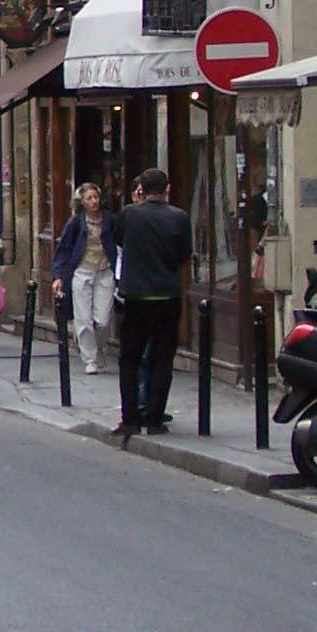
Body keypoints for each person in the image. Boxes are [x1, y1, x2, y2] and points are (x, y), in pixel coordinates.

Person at [114, 168, 192, 438]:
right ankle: (155, 418)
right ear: (167, 189)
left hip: (136, 295)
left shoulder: (129, 214)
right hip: (167, 295)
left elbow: (118, 239)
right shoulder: (180, 217)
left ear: (142, 190)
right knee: (162, 359)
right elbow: (184, 254)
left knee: (130, 359)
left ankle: (130, 418)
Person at [50, 183, 120, 375]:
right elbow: (63, 250)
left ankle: (97, 349)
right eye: (89, 198)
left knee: (103, 319)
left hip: (105, 272)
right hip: (82, 272)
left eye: (95, 197)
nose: (94, 201)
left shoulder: (110, 220)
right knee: (83, 319)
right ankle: (90, 359)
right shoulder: (75, 223)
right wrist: (58, 276)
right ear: (81, 202)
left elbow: (120, 242)